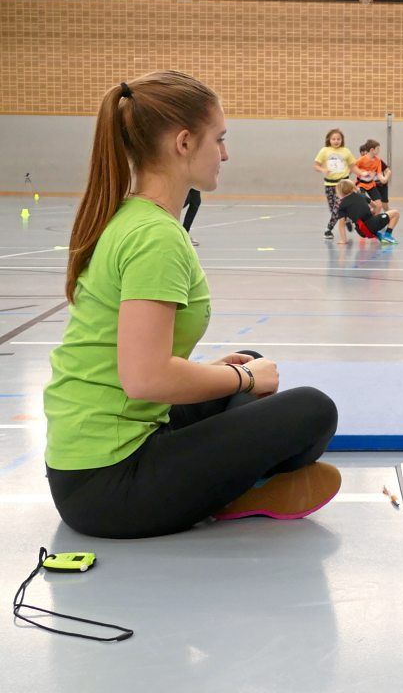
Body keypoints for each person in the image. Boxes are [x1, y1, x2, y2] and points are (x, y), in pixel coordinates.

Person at [43, 71, 340, 540]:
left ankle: (222, 479)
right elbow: (145, 378)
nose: (225, 153)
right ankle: (235, 490)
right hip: (107, 486)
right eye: (218, 139)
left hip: (101, 456)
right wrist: (240, 378)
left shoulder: (135, 216)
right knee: (312, 410)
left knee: (252, 368)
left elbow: (137, 368)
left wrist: (224, 373)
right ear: (184, 143)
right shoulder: (154, 237)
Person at [314, 128, 355, 239]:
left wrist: (348, 176)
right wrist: (323, 170)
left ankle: (328, 230)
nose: (336, 141)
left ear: (342, 140)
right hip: (329, 185)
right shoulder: (324, 151)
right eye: (333, 139)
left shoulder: (346, 151)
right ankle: (346, 218)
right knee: (333, 209)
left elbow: (353, 166)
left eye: (338, 139)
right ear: (329, 140)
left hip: (342, 186)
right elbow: (316, 165)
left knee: (337, 209)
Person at [334, 179, 398, 244]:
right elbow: (376, 206)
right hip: (372, 225)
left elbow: (341, 224)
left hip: (361, 231)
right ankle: (387, 236)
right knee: (395, 213)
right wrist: (372, 212)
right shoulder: (361, 196)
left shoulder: (341, 205)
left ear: (340, 192)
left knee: (370, 222)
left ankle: (378, 234)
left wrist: (343, 240)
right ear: (352, 188)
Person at [355, 139, 386, 205]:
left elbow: (379, 173)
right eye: (377, 149)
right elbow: (353, 168)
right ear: (372, 150)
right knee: (363, 202)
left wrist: (383, 179)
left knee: (379, 205)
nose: (379, 150)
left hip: (371, 184)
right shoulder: (361, 160)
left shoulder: (378, 160)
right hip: (361, 184)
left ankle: (373, 215)